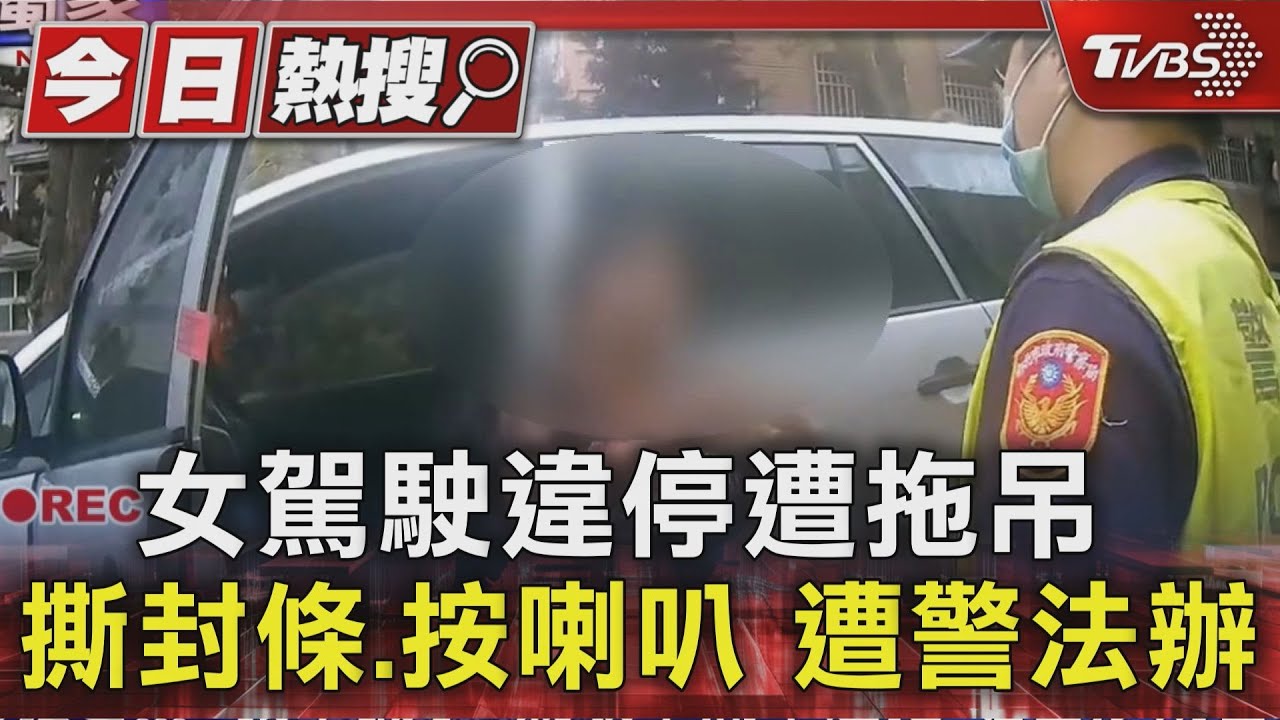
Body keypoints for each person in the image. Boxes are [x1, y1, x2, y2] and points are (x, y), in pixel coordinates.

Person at [951, 30, 1280, 550]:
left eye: (1001, 69)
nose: (1004, 95)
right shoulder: (1224, 244)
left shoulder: (1082, 294)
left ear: (1063, 63)